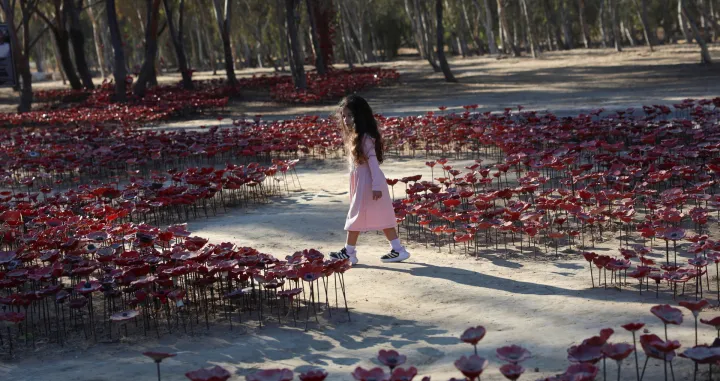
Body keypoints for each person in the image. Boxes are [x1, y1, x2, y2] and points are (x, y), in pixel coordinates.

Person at [329, 95, 411, 265]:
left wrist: (375, 186)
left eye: (350, 115)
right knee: (379, 215)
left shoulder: (365, 138)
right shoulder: (357, 136)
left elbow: (373, 162)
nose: (346, 119)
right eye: (344, 116)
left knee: (355, 216)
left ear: (360, 115)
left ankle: (349, 252)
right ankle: (398, 249)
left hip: (370, 182)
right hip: (363, 182)